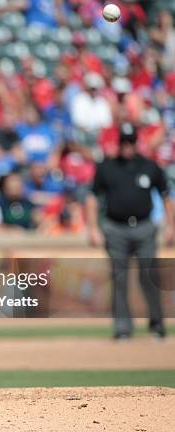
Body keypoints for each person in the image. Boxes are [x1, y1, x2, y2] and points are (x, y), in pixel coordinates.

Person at [86, 122, 173, 340]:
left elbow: (166, 197)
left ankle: (157, 325)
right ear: (118, 143)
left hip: (144, 227)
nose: (127, 146)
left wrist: (171, 225)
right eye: (124, 142)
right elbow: (92, 197)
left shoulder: (150, 166)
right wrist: (93, 227)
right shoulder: (107, 167)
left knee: (149, 275)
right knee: (119, 278)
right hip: (116, 228)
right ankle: (123, 328)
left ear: (137, 143)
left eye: (131, 142)